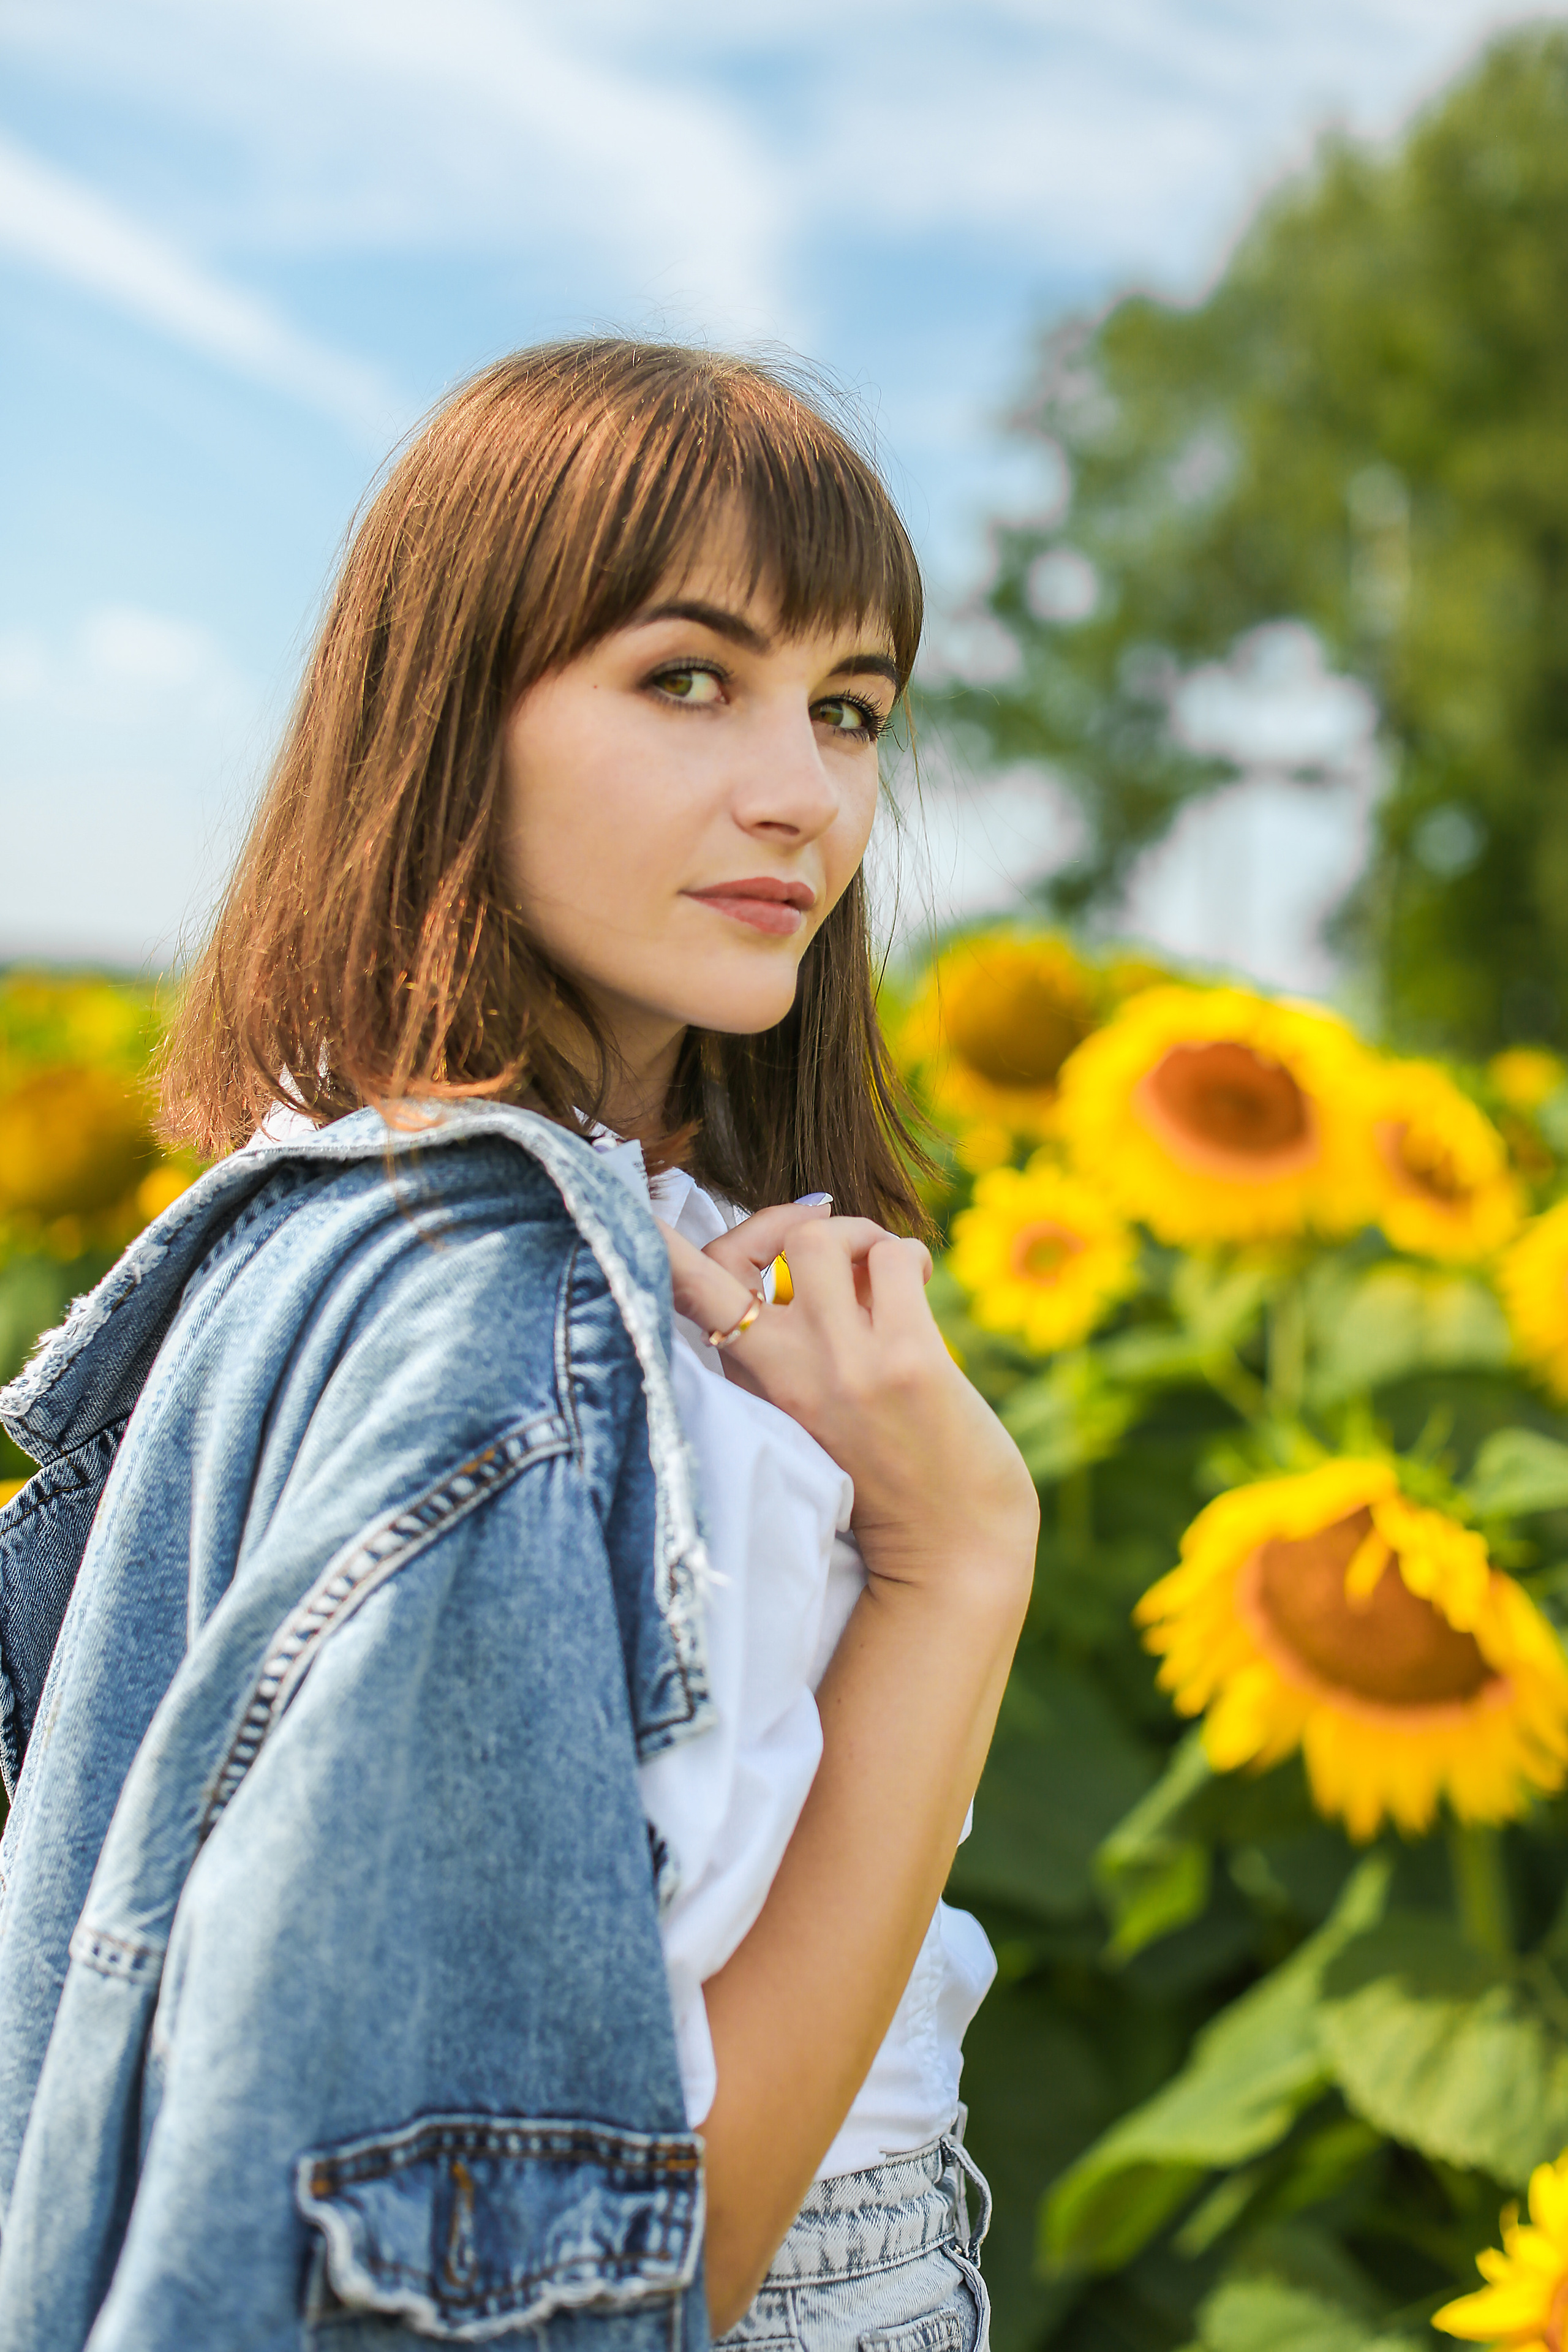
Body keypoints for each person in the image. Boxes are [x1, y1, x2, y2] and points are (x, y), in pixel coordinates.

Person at [0, 339, 1038, 2351]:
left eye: (849, 709)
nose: (801, 795)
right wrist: (957, 1567)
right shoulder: (506, 1306)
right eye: (686, 680)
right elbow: (606, 2266)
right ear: (449, 711)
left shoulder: (333, 1221)